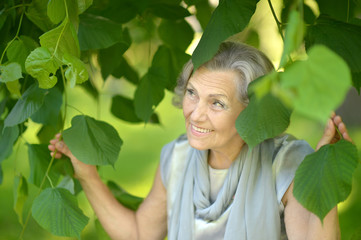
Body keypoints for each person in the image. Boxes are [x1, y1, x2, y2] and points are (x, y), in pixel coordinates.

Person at [49, 42, 353, 240]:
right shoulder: (177, 157)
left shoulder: (285, 162)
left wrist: (323, 179)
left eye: (217, 103)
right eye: (192, 93)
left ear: (253, 110)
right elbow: (141, 234)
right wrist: (87, 174)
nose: (195, 115)